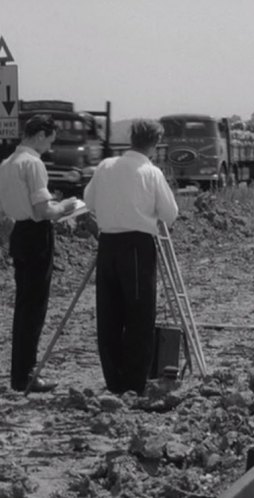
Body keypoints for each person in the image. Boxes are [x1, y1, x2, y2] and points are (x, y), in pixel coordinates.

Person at [84, 119, 178, 395]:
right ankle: (133, 384)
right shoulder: (150, 172)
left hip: (108, 244)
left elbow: (88, 201)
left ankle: (114, 380)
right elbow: (170, 213)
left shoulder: (106, 166)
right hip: (137, 246)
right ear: (154, 143)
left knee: (109, 314)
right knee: (139, 315)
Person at [0, 115, 77, 393]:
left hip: (19, 232)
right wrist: (65, 206)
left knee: (24, 306)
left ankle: (20, 372)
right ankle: (26, 374)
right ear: (41, 134)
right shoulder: (33, 163)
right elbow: (44, 212)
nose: (49, 148)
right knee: (34, 308)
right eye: (49, 141)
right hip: (36, 235)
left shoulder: (7, 164)